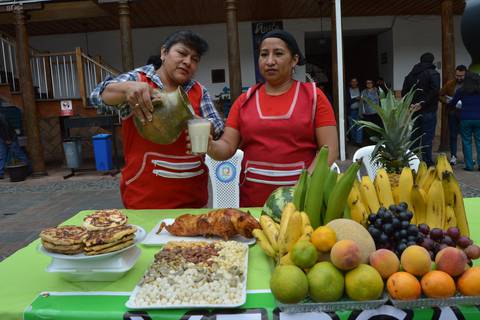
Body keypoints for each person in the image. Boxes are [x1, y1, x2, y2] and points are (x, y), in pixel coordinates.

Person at [90, 30, 224, 209]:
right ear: (164, 53)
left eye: (195, 59)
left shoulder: (198, 90)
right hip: (144, 200)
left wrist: (194, 119)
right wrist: (127, 88)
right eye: (182, 53)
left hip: (193, 200)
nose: (187, 62)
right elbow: (98, 97)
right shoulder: (138, 79)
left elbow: (217, 127)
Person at [206, 30, 338, 207]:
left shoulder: (314, 97)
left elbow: (328, 151)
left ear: (294, 60)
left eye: (278, 53)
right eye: (263, 54)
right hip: (253, 204)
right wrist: (210, 146)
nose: (269, 61)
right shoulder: (245, 101)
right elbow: (227, 147)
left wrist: (301, 187)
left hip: (301, 200)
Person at [401, 52, 441, 167]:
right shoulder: (433, 74)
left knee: (414, 137)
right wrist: (422, 103)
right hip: (428, 110)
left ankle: (411, 161)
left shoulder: (410, 75)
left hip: (414, 111)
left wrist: (411, 105)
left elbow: (404, 93)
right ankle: (426, 162)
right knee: (427, 137)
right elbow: (434, 91)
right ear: (432, 61)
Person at [448, 72, 480, 171]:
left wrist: (449, 106)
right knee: (479, 141)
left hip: (465, 119)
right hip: (479, 118)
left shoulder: (461, 90)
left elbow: (453, 102)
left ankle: (469, 166)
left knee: (466, 142)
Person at [439, 65, 467, 165]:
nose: (459, 78)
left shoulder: (470, 84)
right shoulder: (450, 84)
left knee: (465, 136)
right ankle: (453, 156)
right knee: (453, 135)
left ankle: (467, 157)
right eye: (457, 75)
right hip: (453, 112)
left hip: (465, 113)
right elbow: (440, 95)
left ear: (465, 74)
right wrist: (447, 101)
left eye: (461, 76)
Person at [0, 112, 29, 179]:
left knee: (18, 153)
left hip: (9, 137)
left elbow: (6, 126)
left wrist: (8, 138)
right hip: (3, 137)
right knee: (2, 155)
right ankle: (0, 173)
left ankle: (27, 169)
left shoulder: (1, 116)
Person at [346, 78, 363, 145]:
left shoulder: (361, 90)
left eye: (355, 81)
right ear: (350, 83)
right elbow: (347, 101)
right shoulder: (348, 90)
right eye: (352, 82)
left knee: (360, 126)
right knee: (352, 127)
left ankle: (359, 142)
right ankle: (354, 141)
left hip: (359, 111)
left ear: (357, 82)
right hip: (351, 111)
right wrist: (356, 99)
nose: (354, 83)